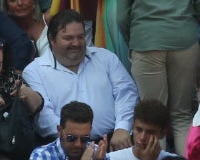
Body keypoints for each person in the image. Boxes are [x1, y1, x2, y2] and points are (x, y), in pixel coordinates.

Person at [22, 10, 134, 146]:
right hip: (63, 146)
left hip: (113, 142)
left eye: (80, 37)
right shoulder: (34, 71)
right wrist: (76, 139)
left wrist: (122, 127)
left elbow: (127, 94)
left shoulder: (106, 58)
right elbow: (44, 117)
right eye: (68, 38)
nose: (76, 43)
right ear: (52, 39)